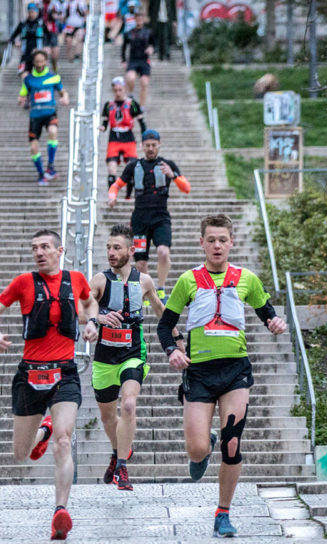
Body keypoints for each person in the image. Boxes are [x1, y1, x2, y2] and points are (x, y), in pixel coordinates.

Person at [157, 213, 287, 538]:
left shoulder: (247, 279)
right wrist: (173, 350)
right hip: (198, 373)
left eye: (223, 240)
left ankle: (223, 513)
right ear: (201, 242)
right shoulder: (188, 280)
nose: (217, 245)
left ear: (232, 242)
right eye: (211, 240)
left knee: (232, 442)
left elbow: (267, 313)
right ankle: (205, 445)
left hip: (235, 371)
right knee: (198, 450)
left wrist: (274, 323)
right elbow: (163, 324)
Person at [0, 230, 99, 539]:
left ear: (60, 250)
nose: (39, 252)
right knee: (21, 452)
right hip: (29, 375)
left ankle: (60, 511)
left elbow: (90, 306)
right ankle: (43, 429)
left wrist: (93, 325)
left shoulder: (75, 279)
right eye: (34, 248)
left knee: (64, 441)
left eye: (45, 247)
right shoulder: (23, 283)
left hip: (65, 373)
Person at [89, 224, 182, 490]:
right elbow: (83, 309)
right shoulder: (98, 280)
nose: (111, 252)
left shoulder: (144, 281)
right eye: (108, 247)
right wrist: (99, 318)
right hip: (105, 357)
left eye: (116, 247)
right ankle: (118, 450)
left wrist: (177, 338)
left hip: (133, 353)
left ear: (131, 250)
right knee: (108, 418)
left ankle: (121, 467)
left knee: (128, 405)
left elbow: (160, 310)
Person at [107, 129, 190, 303]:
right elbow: (116, 185)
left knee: (163, 252)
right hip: (140, 219)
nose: (151, 148)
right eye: (147, 146)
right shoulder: (133, 166)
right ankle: (146, 292)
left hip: (161, 218)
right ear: (142, 147)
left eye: (154, 145)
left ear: (159, 145)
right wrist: (112, 196)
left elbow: (186, 188)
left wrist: (172, 175)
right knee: (141, 263)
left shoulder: (168, 165)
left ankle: (160, 289)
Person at [18, 49, 69, 186]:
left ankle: (50, 166)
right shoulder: (28, 79)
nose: (40, 64)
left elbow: (63, 92)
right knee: (34, 147)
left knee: (53, 131)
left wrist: (65, 98)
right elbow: (22, 94)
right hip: (35, 115)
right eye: (37, 62)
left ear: (46, 61)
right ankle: (41, 174)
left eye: (42, 61)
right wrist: (21, 100)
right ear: (33, 63)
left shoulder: (54, 77)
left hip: (50, 112)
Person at [100, 76, 145, 190]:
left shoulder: (132, 104)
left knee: (132, 167)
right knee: (111, 168)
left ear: (125, 89)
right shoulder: (108, 105)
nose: (118, 93)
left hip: (128, 137)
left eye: (120, 90)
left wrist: (144, 139)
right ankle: (112, 194)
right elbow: (105, 122)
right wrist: (102, 127)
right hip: (114, 137)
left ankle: (129, 195)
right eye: (115, 90)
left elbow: (141, 122)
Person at [121, 9, 155, 109]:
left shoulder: (148, 32)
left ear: (143, 19)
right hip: (133, 60)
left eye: (141, 18)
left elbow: (154, 45)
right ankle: (131, 93)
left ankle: (142, 106)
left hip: (144, 60)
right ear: (135, 19)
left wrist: (151, 48)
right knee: (130, 78)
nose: (139, 20)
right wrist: (123, 60)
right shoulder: (129, 33)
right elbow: (123, 48)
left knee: (144, 83)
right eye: (138, 18)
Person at [9, 3, 52, 76]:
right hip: (25, 54)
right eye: (30, 12)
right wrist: (15, 42)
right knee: (23, 74)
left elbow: (48, 36)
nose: (31, 14)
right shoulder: (23, 24)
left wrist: (47, 46)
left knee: (39, 74)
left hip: (38, 53)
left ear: (36, 12)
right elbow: (12, 37)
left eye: (33, 12)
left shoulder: (41, 24)